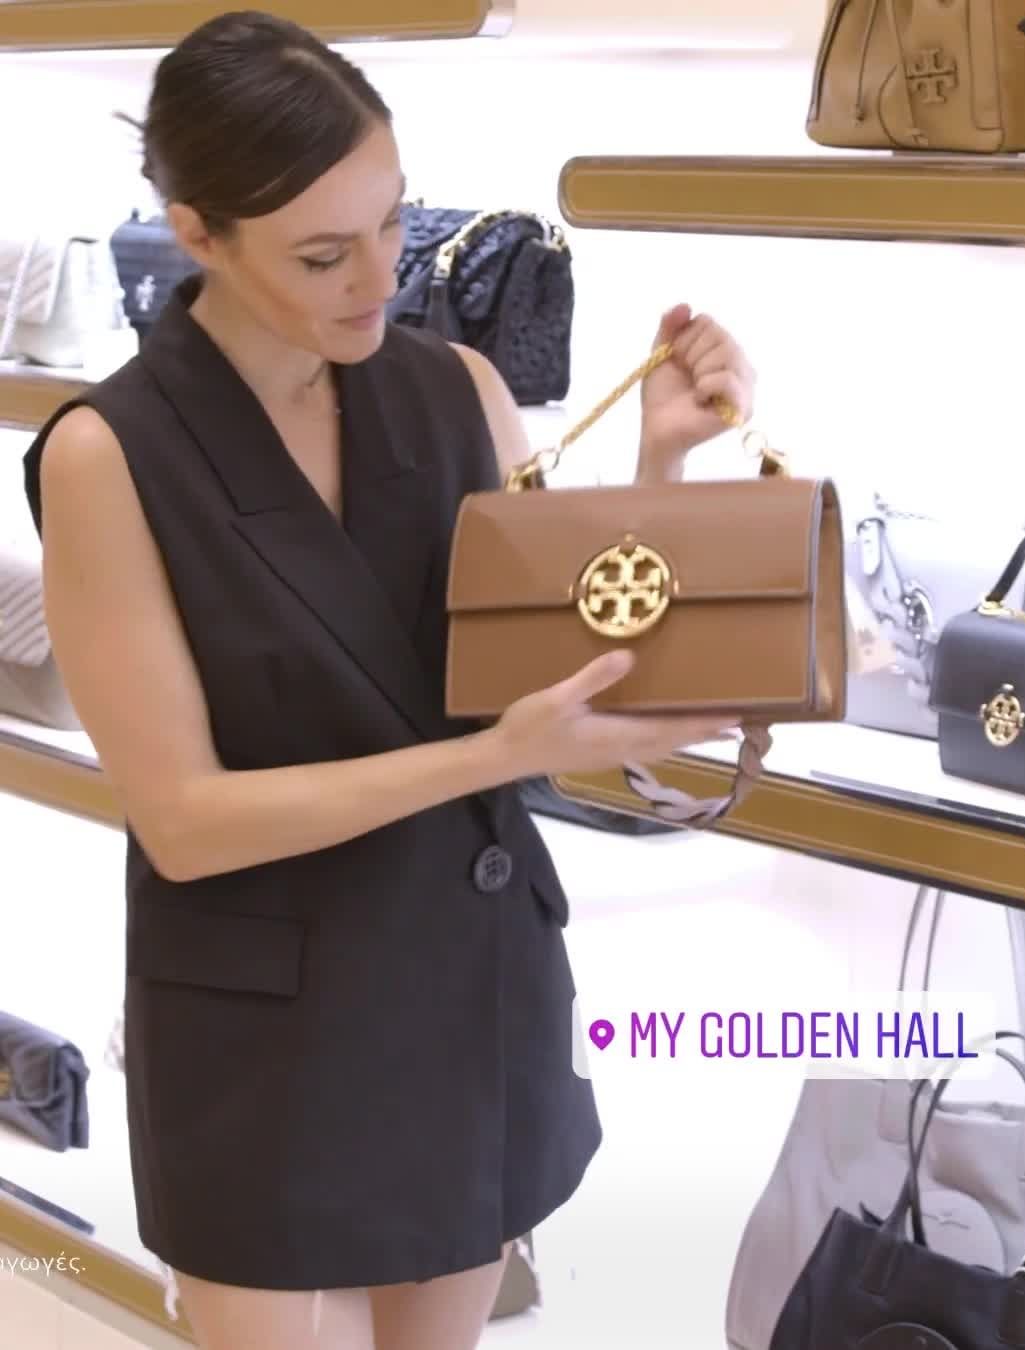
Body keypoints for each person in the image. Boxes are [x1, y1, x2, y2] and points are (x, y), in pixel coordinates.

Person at [22, 11, 758, 1350]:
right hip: (263, 1031)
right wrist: (493, 757)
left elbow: (570, 670)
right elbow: (184, 820)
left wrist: (664, 464)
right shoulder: (109, 455)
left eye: (393, 222)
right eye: (322, 254)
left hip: (465, 975)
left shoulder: (455, 388)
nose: (379, 277)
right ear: (197, 236)